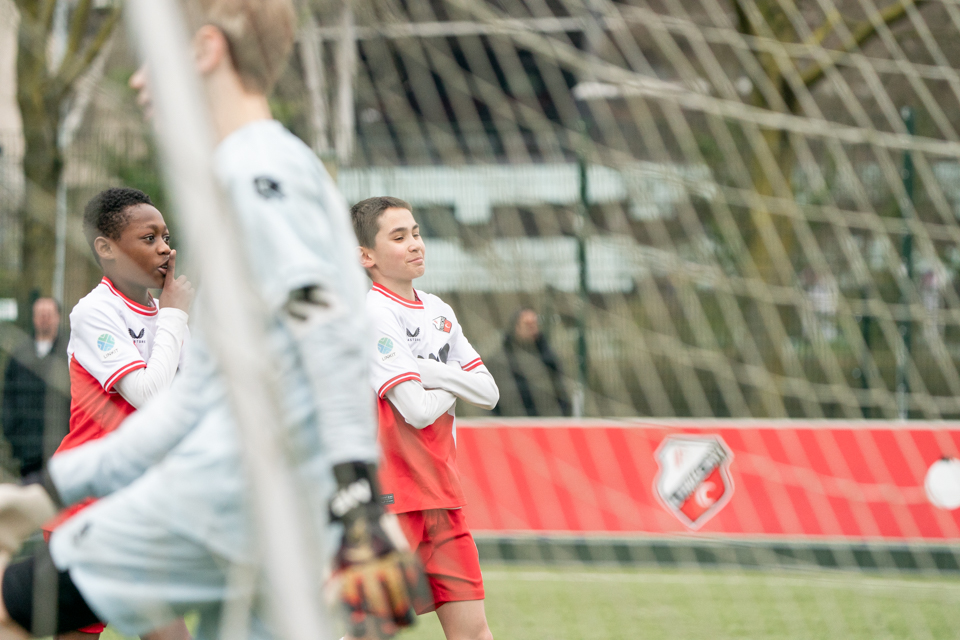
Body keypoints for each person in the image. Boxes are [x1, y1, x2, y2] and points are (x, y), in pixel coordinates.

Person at [0, 2, 424, 640]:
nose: (139, 80)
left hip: (217, 499)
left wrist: (357, 493)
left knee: (13, 607)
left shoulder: (251, 170)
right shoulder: (281, 166)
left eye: (154, 60)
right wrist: (50, 488)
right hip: (279, 518)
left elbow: (330, 331)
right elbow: (188, 404)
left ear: (205, 51)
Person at [42, 187, 194, 640]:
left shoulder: (169, 314)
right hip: (90, 507)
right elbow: (150, 395)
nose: (165, 248)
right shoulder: (94, 312)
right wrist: (174, 317)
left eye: (166, 237)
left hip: (141, 508)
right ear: (106, 248)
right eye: (149, 238)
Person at [351, 196, 499, 640]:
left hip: (443, 495)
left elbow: (490, 393)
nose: (415, 244)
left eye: (415, 233)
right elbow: (415, 411)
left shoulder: (439, 311)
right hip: (391, 500)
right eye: (399, 237)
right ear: (366, 256)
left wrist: (433, 374)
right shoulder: (374, 313)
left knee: (474, 633)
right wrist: (457, 383)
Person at [1, 298, 69, 478]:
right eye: (40, 314)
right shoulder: (19, 355)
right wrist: (13, 434)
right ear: (33, 317)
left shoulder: (70, 353)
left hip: (63, 448)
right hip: (27, 450)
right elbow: (8, 398)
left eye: (49, 314)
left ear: (58, 317)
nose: (44, 318)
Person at [497, 307, 571, 417]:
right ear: (516, 327)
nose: (532, 328)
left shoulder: (549, 359)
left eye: (534, 324)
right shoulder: (501, 360)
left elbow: (561, 393)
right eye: (527, 324)